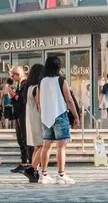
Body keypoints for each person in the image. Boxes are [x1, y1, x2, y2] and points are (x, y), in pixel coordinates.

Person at [34, 54, 80, 185]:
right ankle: (61, 174)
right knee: (61, 146)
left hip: (45, 117)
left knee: (46, 146)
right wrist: (76, 116)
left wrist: (44, 112)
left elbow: (38, 103)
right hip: (60, 114)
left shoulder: (41, 82)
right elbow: (69, 100)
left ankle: (43, 174)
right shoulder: (61, 80)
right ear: (58, 66)